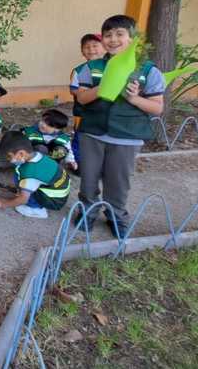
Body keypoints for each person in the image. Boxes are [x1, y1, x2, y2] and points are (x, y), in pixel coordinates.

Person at [75, 15, 165, 236]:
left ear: (132, 38)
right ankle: (87, 213)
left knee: (118, 181)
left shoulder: (147, 69)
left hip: (127, 136)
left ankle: (116, 216)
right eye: (107, 35)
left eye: (119, 34)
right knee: (88, 178)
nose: (112, 39)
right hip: (92, 133)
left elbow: (157, 107)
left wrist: (134, 99)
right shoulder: (93, 67)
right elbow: (82, 98)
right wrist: (104, 86)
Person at [0, 131, 71, 219]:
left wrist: (2, 204)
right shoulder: (39, 156)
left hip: (53, 200)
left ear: (20, 153)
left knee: (23, 181)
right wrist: (16, 186)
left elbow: (22, 199)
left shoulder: (30, 173)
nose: (8, 159)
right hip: (60, 193)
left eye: (9, 156)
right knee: (23, 181)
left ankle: (37, 210)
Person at [69, 34, 104, 170]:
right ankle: (78, 163)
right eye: (86, 47)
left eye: (95, 46)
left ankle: (97, 163)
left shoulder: (110, 68)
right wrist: (91, 94)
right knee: (80, 136)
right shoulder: (79, 70)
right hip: (83, 111)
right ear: (82, 52)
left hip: (102, 112)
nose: (91, 49)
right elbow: (73, 90)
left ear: (104, 48)